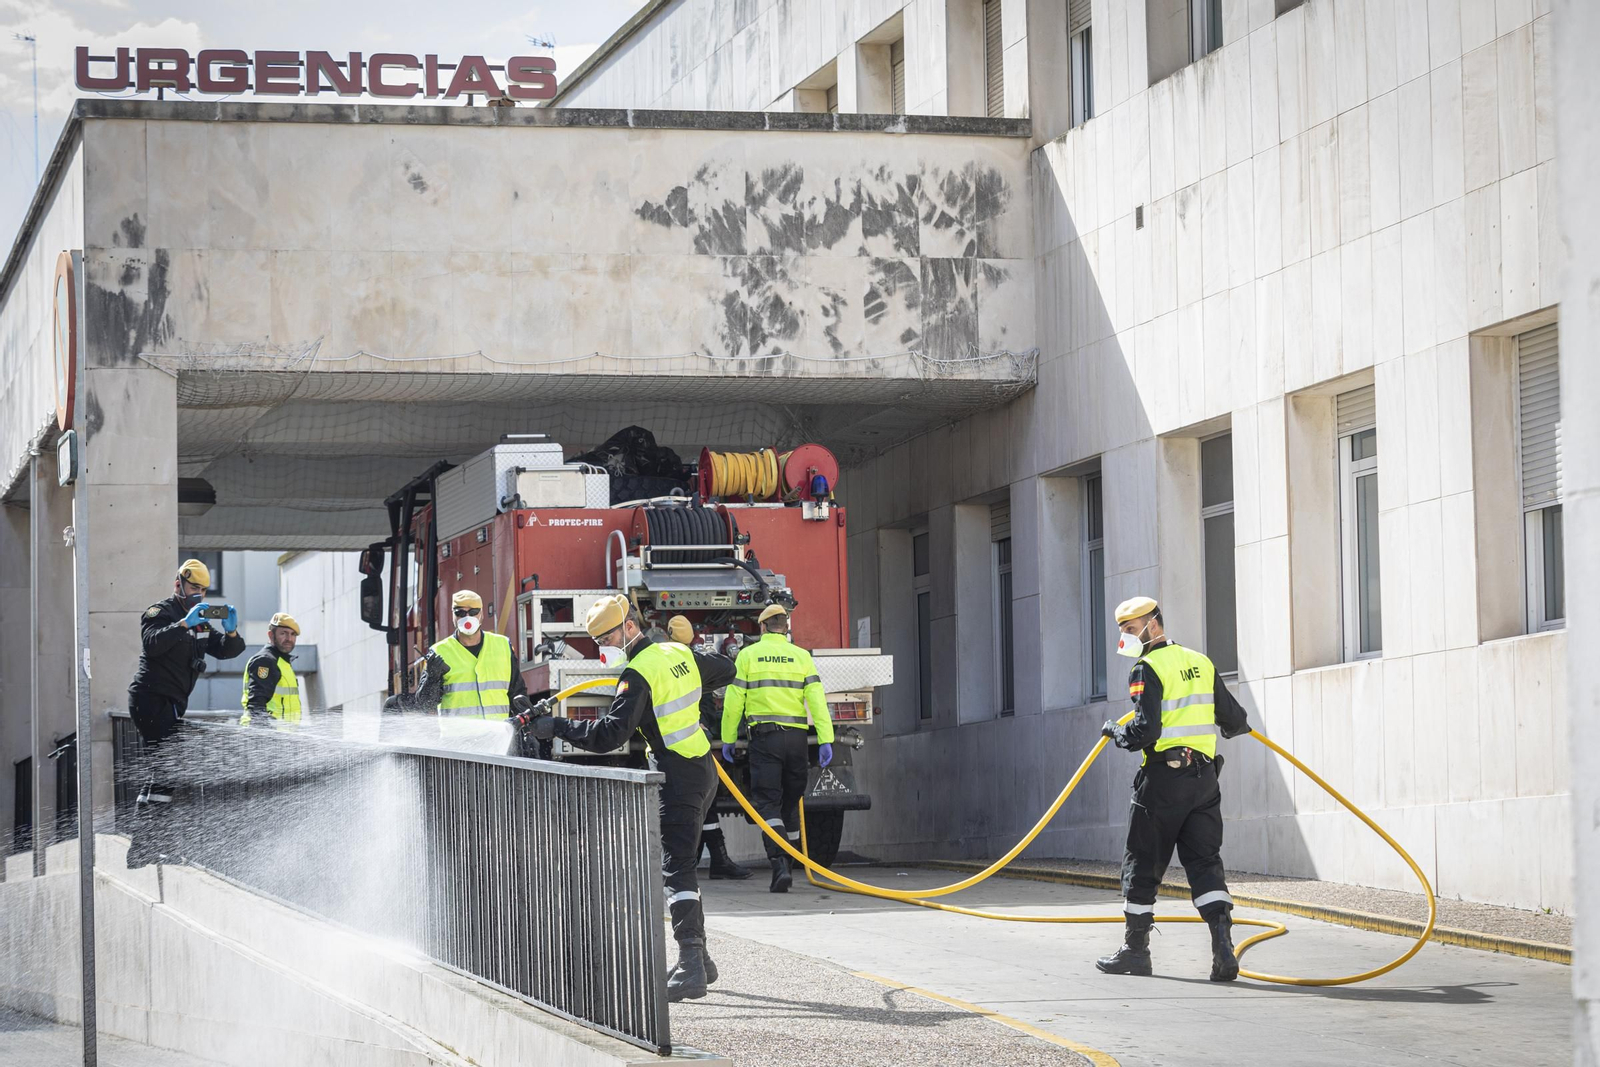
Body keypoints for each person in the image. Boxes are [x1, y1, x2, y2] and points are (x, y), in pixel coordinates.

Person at [525, 595, 734, 1001]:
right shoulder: (677, 652)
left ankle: (690, 962)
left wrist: (557, 727)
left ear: (630, 627)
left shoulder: (636, 674)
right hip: (702, 769)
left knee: (677, 869)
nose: (604, 645)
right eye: (597, 640)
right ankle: (702, 960)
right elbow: (726, 668)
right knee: (684, 861)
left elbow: (608, 736)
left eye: (608, 636)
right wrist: (695, 663)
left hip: (675, 775)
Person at [1096, 596, 1252, 982]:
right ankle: (1223, 950)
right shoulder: (1201, 661)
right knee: (1204, 863)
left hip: (1164, 783)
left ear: (1152, 624)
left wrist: (1116, 733)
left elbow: (1145, 730)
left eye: (1130, 630)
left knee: (1143, 861)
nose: (1125, 639)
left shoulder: (1145, 667)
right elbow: (1234, 721)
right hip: (1204, 784)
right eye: (1122, 632)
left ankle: (1135, 952)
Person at [125, 558, 245, 867]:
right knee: (170, 768)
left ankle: (143, 845)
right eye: (194, 588)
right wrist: (181, 625)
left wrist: (231, 633)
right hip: (150, 699)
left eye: (204, 590)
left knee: (162, 772)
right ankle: (151, 844)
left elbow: (226, 650)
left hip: (173, 703)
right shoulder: (159, 613)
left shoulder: (202, 621)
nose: (199, 595)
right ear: (178, 583)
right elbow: (152, 644)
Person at [719, 604, 833, 894]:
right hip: (796, 740)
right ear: (786, 626)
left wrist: (728, 737)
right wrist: (825, 738)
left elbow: (734, 700)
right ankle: (790, 862)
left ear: (762, 627)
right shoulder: (802, 657)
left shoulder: (747, 655)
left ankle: (780, 863)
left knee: (768, 803)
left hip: (765, 739)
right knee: (790, 802)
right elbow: (817, 700)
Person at [666, 615, 751, 881]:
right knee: (702, 804)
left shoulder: (665, 663)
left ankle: (713, 859)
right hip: (693, 747)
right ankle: (714, 859)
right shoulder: (697, 663)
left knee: (701, 806)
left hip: (673, 749)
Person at [401, 590, 528, 725]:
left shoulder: (503, 645)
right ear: (453, 616)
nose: (467, 617)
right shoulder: (438, 652)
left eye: (473, 612)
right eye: (460, 613)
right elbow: (425, 705)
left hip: (497, 738)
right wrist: (431, 678)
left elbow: (517, 693)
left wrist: (526, 730)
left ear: (482, 614)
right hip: (457, 741)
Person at [240, 613, 302, 729]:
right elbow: (256, 704)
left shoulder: (282, 662)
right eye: (283, 633)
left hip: (281, 737)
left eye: (293, 634)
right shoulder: (265, 661)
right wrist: (266, 735)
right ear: (271, 635)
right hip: (266, 736)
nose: (289, 639)